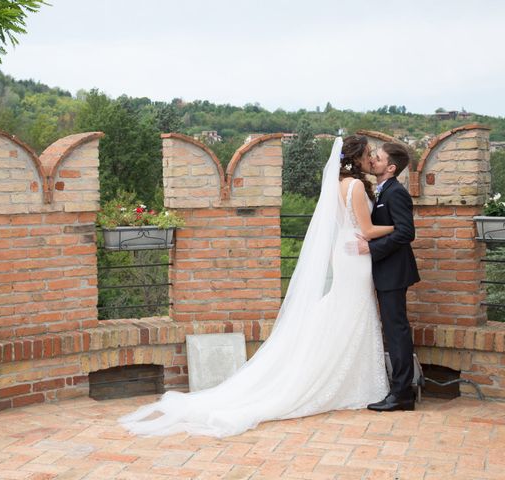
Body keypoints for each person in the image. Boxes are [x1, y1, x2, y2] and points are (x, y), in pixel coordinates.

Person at [119, 136, 391, 438]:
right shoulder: (353, 187)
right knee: (353, 310)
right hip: (356, 256)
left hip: (347, 253)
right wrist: (401, 228)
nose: (371, 159)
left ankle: (349, 377)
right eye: (368, 155)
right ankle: (346, 380)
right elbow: (366, 230)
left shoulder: (340, 185)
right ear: (355, 158)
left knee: (347, 312)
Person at [356, 142, 420, 412]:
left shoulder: (396, 193)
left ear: (390, 167)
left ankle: (402, 394)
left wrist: (371, 248)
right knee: (393, 330)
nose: (372, 161)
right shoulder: (382, 190)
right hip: (385, 271)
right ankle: (399, 390)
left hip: (394, 272)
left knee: (396, 332)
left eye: (378, 158)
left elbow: (406, 233)